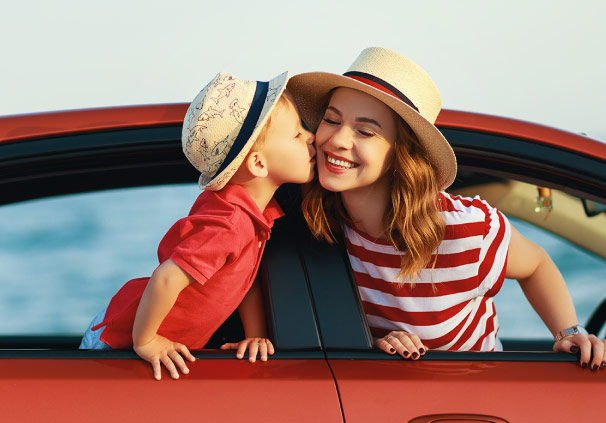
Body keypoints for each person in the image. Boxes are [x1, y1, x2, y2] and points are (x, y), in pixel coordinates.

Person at [287, 47, 605, 370]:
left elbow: (536, 264)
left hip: (476, 400)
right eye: (331, 119)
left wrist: (568, 331)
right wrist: (373, 343)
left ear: (402, 153)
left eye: (365, 131)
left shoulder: (465, 229)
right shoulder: (314, 221)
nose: (338, 139)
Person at [80, 71, 316, 380]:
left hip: (126, 337)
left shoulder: (253, 214)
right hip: (117, 344)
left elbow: (243, 280)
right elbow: (166, 278)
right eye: (297, 134)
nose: (310, 136)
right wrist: (147, 341)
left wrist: (254, 334)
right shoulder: (229, 222)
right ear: (258, 163)